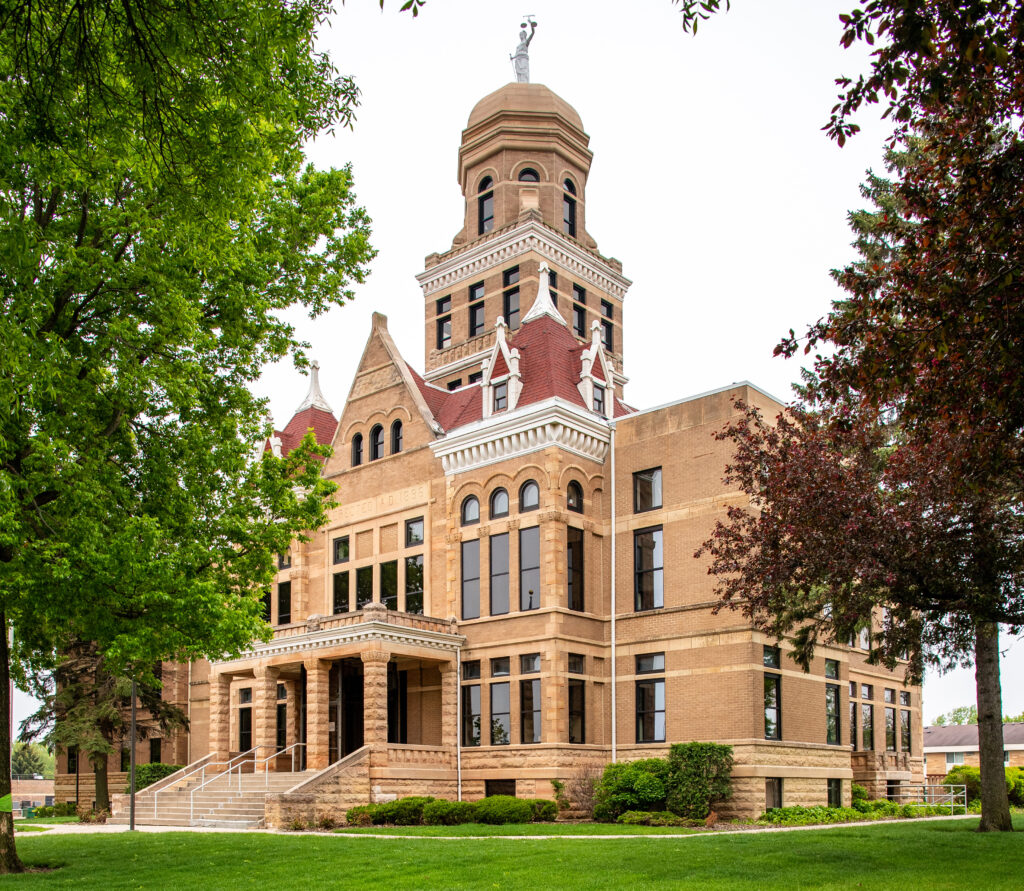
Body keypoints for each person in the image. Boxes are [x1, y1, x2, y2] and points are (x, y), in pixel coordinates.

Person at [511, 19, 537, 83]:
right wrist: (513, 57)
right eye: (520, 35)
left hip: (523, 59)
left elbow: (533, 33)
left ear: (525, 35)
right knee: (519, 73)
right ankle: (520, 83)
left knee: (524, 71)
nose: (521, 36)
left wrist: (531, 23)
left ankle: (524, 82)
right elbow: (517, 53)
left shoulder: (526, 42)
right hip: (518, 59)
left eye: (522, 34)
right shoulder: (519, 44)